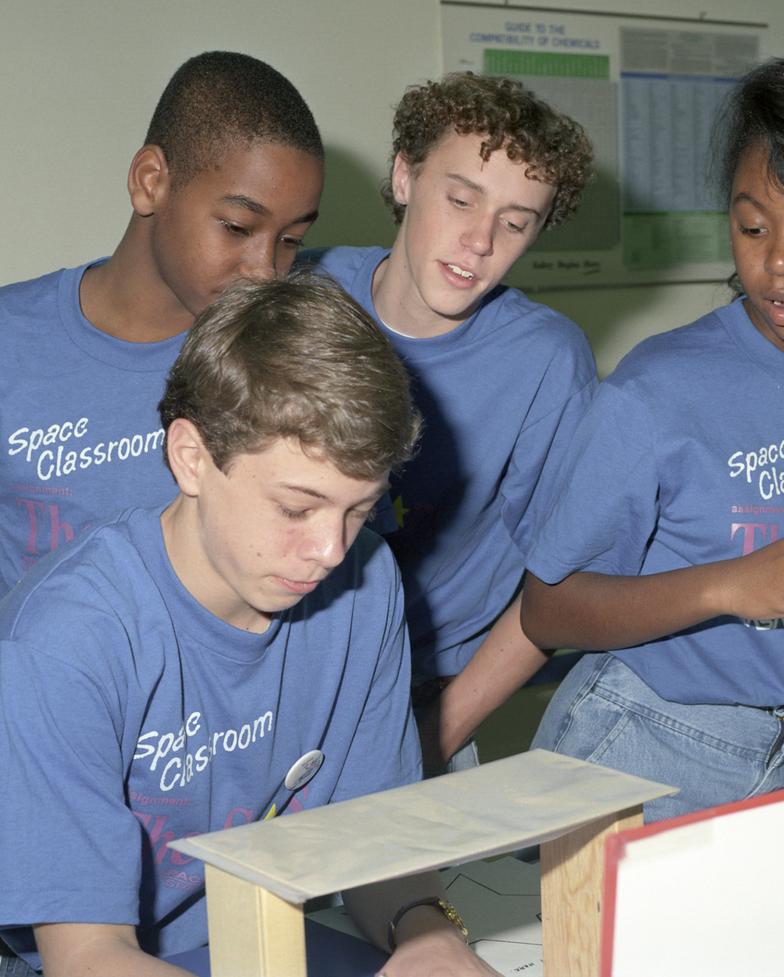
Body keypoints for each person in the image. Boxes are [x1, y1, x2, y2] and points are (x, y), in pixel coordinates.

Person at [0, 275, 497, 977]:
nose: (331, 549)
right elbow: (87, 956)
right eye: (297, 508)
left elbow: (373, 847)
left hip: (260, 932)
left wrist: (424, 934)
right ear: (192, 457)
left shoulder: (367, 578)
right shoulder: (64, 642)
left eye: (358, 509)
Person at [519, 53, 784, 822]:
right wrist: (727, 585)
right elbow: (547, 607)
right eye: (752, 225)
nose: (778, 261)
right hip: (635, 744)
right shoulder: (657, 390)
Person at [306, 72, 597, 769]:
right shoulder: (304, 295)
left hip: (422, 694)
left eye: (516, 221)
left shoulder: (547, 363)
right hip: (278, 682)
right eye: (461, 198)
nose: (479, 241)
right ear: (404, 176)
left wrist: (435, 732)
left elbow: (557, 588)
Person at [0, 50, 325, 595]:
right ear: (151, 181)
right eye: (238, 227)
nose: (265, 271)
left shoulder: (290, 357)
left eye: (292, 240)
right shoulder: (12, 341)